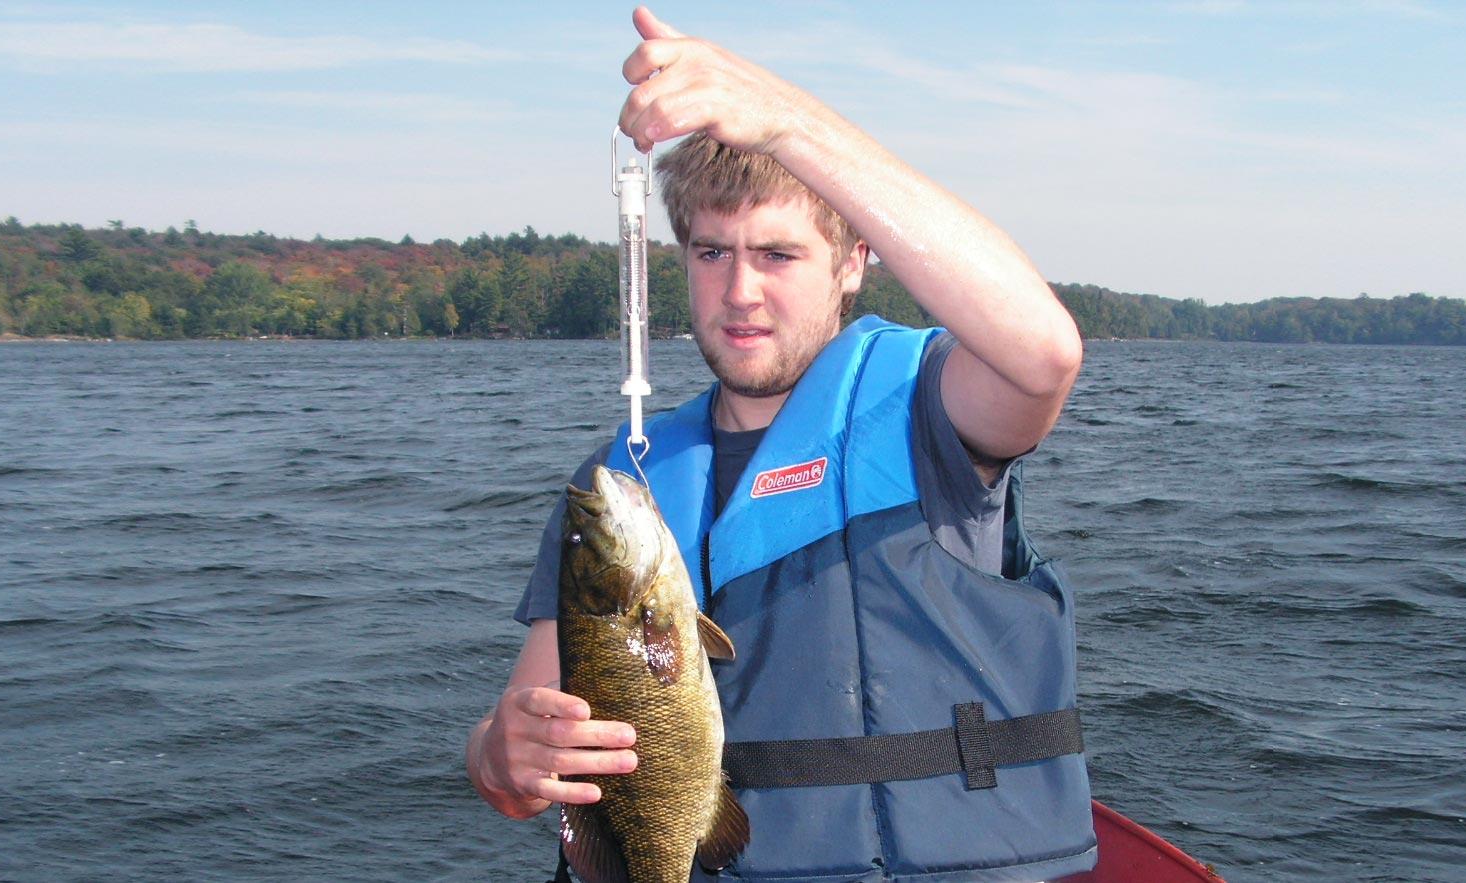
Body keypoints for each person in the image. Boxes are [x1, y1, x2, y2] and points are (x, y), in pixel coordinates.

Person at [468, 7, 1094, 880]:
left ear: (851, 261)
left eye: (778, 254)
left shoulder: (928, 408)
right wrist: (502, 755)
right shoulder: (625, 486)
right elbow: (520, 760)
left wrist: (788, 121)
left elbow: (1045, 354)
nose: (741, 292)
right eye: (713, 253)